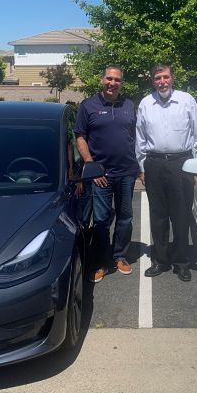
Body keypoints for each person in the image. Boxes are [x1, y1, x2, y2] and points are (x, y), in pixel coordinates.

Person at [136, 63, 197, 282]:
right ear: (153, 81)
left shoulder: (187, 100)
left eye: (165, 77)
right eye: (157, 78)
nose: (162, 82)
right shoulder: (146, 103)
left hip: (182, 164)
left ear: (172, 78)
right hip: (154, 163)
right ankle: (160, 260)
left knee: (181, 215)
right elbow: (140, 138)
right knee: (158, 215)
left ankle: (181, 262)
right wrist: (142, 167)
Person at [74, 65, 139, 283]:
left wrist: (139, 167)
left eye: (117, 79)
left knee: (125, 217)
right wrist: (91, 166)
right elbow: (80, 137)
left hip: (126, 173)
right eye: (109, 78)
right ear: (102, 80)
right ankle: (101, 262)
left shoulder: (129, 105)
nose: (112, 83)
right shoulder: (88, 105)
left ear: (122, 82)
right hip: (101, 175)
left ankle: (119, 256)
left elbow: (135, 137)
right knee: (101, 220)